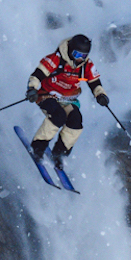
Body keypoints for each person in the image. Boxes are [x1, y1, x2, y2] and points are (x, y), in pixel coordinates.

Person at [25, 33, 108, 167]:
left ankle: (60, 154)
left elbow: (94, 82)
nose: (80, 59)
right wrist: (32, 89)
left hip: (67, 100)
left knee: (76, 121)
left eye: (84, 56)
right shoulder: (56, 59)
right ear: (70, 50)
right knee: (58, 116)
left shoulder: (85, 66)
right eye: (77, 55)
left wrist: (100, 95)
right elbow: (37, 75)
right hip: (47, 96)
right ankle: (38, 146)